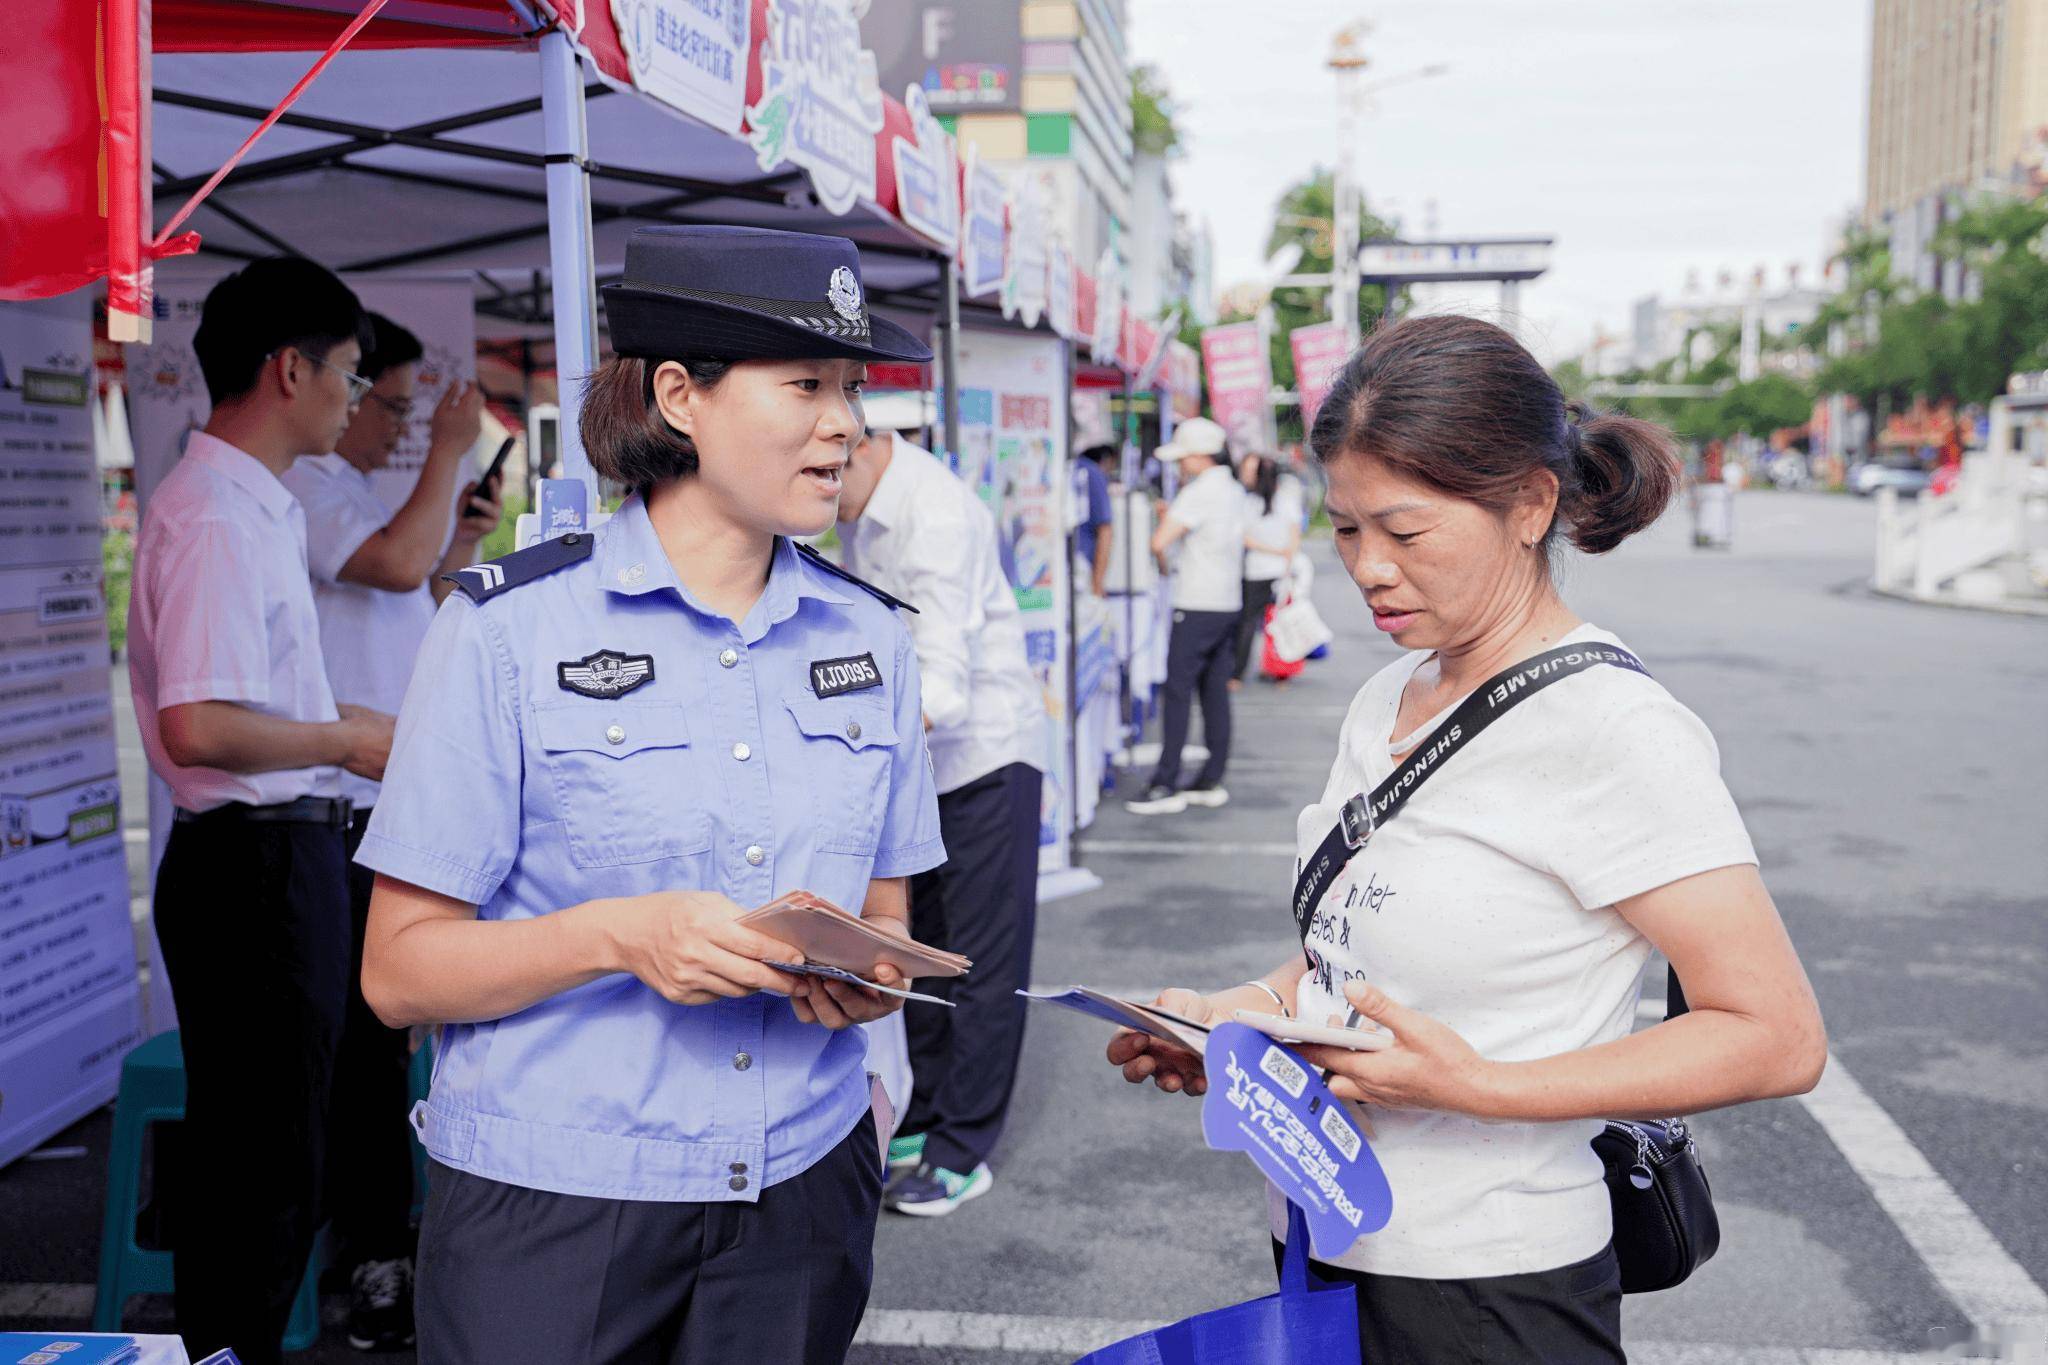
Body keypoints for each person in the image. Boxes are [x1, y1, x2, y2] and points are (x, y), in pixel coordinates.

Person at [1105, 315, 1826, 1363]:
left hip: (1494, 1281)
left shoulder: (1611, 730)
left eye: (1403, 532)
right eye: (1344, 529)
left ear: (1529, 504)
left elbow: (1775, 1034)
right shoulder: (1391, 694)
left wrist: (1478, 1089)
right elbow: (1350, 950)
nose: (1367, 569)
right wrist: (1230, 1019)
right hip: (1323, 1230)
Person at [355, 225, 944, 1364]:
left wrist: (869, 976)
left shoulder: (872, 640)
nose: (846, 425)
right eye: (807, 385)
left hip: (801, 1191)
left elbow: (886, 911)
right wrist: (622, 937)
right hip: (555, 1207)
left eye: (852, 389)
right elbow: (396, 973)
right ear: (680, 394)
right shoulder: (505, 633)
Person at [127, 257, 396, 1365]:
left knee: (280, 1158)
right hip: (252, 869)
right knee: (262, 1170)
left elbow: (243, 702)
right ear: (289, 369)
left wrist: (341, 726)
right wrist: (343, 737)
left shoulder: (249, 506)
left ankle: (236, 1341)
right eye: (347, 373)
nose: (354, 395)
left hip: (277, 860)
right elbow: (198, 725)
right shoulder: (217, 517)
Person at [279, 312, 500, 1352]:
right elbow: (393, 568)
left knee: (378, 1047)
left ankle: (380, 1243)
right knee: (366, 1052)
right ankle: (376, 1262)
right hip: (330, 805)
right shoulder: (306, 486)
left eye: (415, 409)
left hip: (374, 801)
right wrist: (451, 456)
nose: (405, 426)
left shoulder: (347, 488)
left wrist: (455, 533)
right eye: (393, 403)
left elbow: (417, 575)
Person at [836, 426, 1048, 1217]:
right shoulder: (864, 505)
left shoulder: (937, 513)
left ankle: (965, 1147)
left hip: (987, 754)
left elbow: (944, 685)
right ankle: (924, 1120)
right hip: (921, 764)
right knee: (919, 950)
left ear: (865, 444)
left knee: (984, 962)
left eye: (831, 474)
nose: (828, 497)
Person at [1125, 416, 1245, 815]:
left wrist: (1163, 561)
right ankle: (1210, 776)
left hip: (1194, 602)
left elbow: (1160, 542)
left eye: (1182, 457)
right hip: (1227, 601)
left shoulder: (1199, 492)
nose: (1178, 465)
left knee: (1177, 692)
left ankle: (1166, 782)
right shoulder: (1231, 487)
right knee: (1213, 692)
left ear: (1198, 456)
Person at [1232, 452, 1304, 688]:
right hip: (1281, 570)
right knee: (1279, 623)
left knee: (1248, 624)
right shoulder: (1287, 500)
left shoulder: (1248, 503)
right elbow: (1294, 537)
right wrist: (1284, 558)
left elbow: (1244, 539)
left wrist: (1270, 551)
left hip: (1255, 570)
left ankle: (1237, 674)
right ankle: (1280, 673)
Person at [1071, 443, 1116, 598]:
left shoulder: (1088, 473)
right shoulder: (1090, 472)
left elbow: (1105, 530)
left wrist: (1097, 583)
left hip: (1079, 570)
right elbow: (1106, 530)